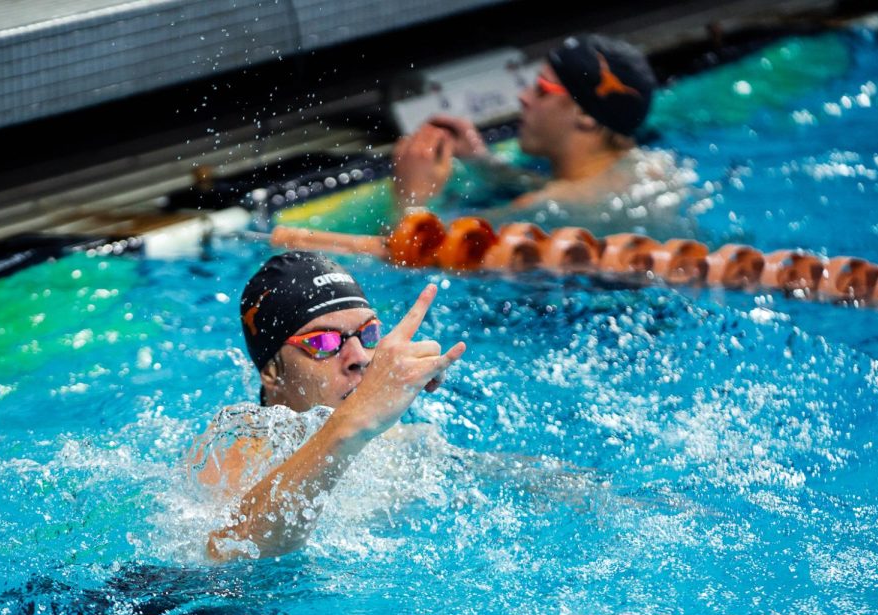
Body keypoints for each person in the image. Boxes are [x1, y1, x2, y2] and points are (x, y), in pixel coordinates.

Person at [191, 251, 465, 562]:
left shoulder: (392, 438)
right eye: (324, 342)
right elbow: (227, 554)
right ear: (272, 371)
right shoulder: (233, 451)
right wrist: (351, 425)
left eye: (369, 333)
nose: (359, 356)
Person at [392, 34, 686, 231]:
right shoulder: (650, 170)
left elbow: (424, 250)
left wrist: (411, 199)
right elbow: (564, 188)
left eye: (541, 90)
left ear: (585, 115)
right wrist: (482, 161)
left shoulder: (546, 206)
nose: (523, 97)